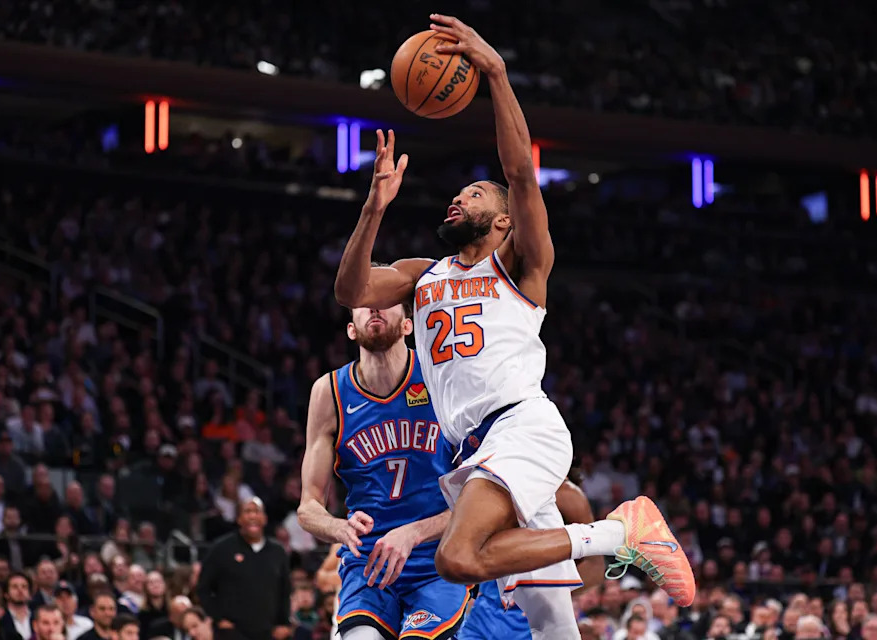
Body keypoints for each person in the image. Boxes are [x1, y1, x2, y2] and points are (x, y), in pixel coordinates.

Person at [333, 13, 695, 639]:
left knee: (457, 558)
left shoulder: (520, 264)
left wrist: (496, 73)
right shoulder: (423, 275)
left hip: (520, 427)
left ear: (503, 220)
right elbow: (350, 291)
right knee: (551, 622)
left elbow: (521, 172)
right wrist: (373, 207)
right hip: (474, 448)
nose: (459, 198)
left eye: (475, 194)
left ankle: (621, 533)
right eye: (459, 193)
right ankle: (606, 535)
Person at [298, 303, 470, 640]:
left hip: (436, 561)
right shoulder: (329, 393)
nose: (374, 306)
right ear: (351, 329)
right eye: (364, 303)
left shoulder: (441, 378)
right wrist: (338, 527)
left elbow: (478, 500)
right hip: (369, 563)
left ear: (408, 325)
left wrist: (413, 533)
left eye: (385, 299)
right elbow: (307, 507)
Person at [460, 472, 605, 639]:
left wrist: (553, 596)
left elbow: (595, 565)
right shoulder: (491, 481)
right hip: (486, 611)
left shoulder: (566, 495)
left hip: (532, 617)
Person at [196, 497, 290, 640]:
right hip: (233, 633)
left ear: (264, 518)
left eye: (257, 511)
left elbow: (285, 591)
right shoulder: (221, 549)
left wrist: (284, 623)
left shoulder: (278, 552)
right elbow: (203, 588)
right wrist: (218, 618)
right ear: (239, 519)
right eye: (247, 511)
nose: (252, 516)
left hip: (269, 633)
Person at [0, 572, 33, 640]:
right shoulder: (0, 619)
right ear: (6, 594)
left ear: (30, 594)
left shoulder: (38, 617)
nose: (20, 590)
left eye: (24, 586)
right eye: (15, 587)